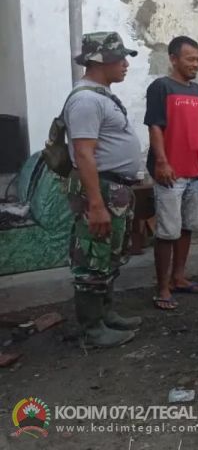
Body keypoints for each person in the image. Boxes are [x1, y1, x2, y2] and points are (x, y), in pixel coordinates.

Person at [64, 32, 144, 348]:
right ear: (99, 61)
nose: (125, 64)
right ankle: (92, 329)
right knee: (93, 257)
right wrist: (95, 203)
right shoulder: (85, 99)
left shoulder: (100, 95)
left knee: (109, 254)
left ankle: (106, 314)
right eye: (118, 58)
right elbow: (84, 153)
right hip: (102, 190)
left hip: (115, 190)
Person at [145, 36, 198, 311]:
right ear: (173, 59)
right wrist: (161, 162)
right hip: (170, 173)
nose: (195, 64)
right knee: (167, 231)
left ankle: (179, 278)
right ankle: (162, 288)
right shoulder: (160, 87)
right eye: (190, 59)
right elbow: (155, 126)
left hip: (196, 171)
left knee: (187, 226)